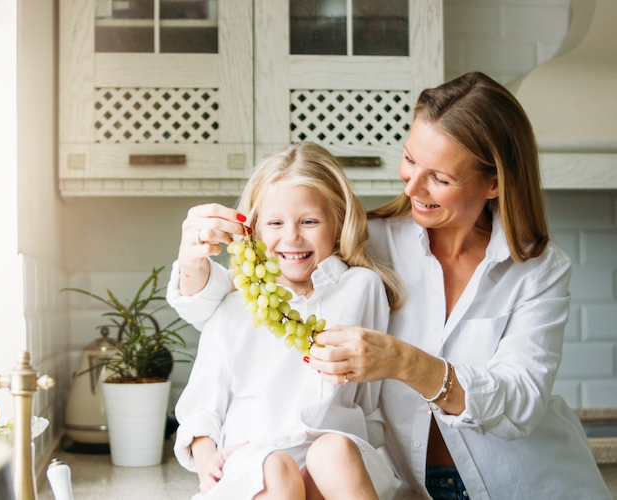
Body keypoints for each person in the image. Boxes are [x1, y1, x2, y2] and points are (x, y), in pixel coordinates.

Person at [168, 72, 612, 500]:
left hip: (529, 485)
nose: (412, 186)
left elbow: (521, 401)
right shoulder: (369, 243)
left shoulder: (539, 269)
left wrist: (405, 362)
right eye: (411, 159)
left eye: (439, 177)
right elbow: (245, 299)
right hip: (419, 489)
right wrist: (195, 258)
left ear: (493, 183)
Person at [172, 143, 401, 500]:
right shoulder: (235, 307)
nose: (292, 236)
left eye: (309, 221)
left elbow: (369, 395)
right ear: (254, 230)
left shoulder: (361, 289)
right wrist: (207, 459)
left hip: (338, 464)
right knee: (275, 468)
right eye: (276, 222)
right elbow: (203, 405)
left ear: (337, 222)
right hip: (256, 461)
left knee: (333, 450)